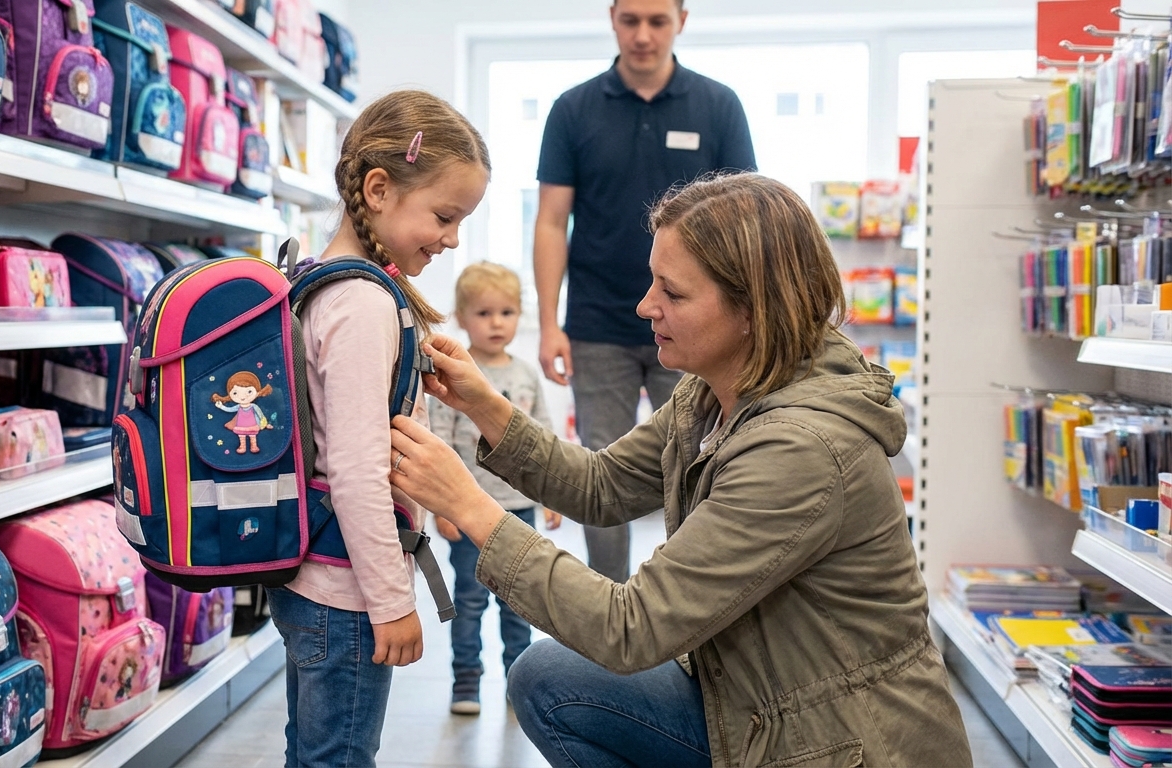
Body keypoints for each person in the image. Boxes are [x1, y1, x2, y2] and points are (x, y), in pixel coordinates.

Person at [388, 173, 972, 767]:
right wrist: (485, 405)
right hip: (757, 695)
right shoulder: (714, 393)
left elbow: (630, 627)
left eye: (674, 292)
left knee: (554, 676)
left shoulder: (801, 450)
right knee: (547, 676)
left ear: (753, 308)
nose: (646, 306)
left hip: (842, 740)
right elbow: (602, 485)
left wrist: (471, 506)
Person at [268, 89, 490, 768]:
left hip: (313, 578)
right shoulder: (364, 304)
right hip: (348, 594)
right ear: (379, 188)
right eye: (445, 216)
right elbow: (359, 471)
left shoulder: (317, 280)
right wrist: (391, 603)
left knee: (312, 752)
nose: (452, 239)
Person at [535, 0, 757, 584]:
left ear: (682, 20)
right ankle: (607, 606)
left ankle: (689, 602)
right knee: (599, 471)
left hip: (698, 325)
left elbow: (745, 222)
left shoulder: (719, 105)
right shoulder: (572, 109)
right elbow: (552, 222)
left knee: (699, 463)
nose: (642, 35)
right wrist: (548, 323)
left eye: (657, 21)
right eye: (630, 20)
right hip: (597, 326)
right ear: (612, 17)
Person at [428, 261, 563, 716]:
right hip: (468, 513)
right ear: (462, 317)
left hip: (519, 510)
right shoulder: (450, 374)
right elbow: (439, 440)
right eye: (484, 313)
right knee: (468, 600)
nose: (496, 322)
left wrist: (551, 493)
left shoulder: (525, 375)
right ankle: (465, 682)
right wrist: (440, 508)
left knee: (518, 602)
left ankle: (516, 681)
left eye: (506, 312)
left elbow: (543, 435)